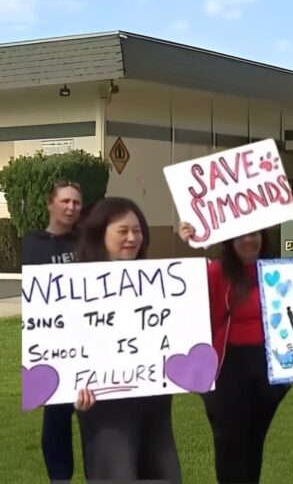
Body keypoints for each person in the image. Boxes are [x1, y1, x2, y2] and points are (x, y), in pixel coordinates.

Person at [72, 197, 182, 483]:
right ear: (101, 233)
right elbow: (59, 350)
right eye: (123, 231)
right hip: (104, 409)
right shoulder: (72, 287)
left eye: (138, 230)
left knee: (164, 474)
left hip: (154, 404)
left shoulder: (160, 283)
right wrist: (70, 390)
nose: (132, 238)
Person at [178, 223, 289, 483]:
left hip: (267, 369)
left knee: (254, 439)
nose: (249, 240)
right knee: (229, 441)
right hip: (228, 367)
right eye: (240, 236)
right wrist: (195, 240)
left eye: (254, 233)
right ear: (228, 242)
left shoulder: (278, 273)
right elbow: (185, 291)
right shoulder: (216, 272)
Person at [22, 180, 84, 483]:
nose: (71, 207)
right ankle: (60, 478)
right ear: (50, 204)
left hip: (90, 343)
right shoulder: (32, 243)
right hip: (54, 348)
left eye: (76, 202)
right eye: (65, 201)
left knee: (93, 416)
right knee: (56, 419)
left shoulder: (87, 242)